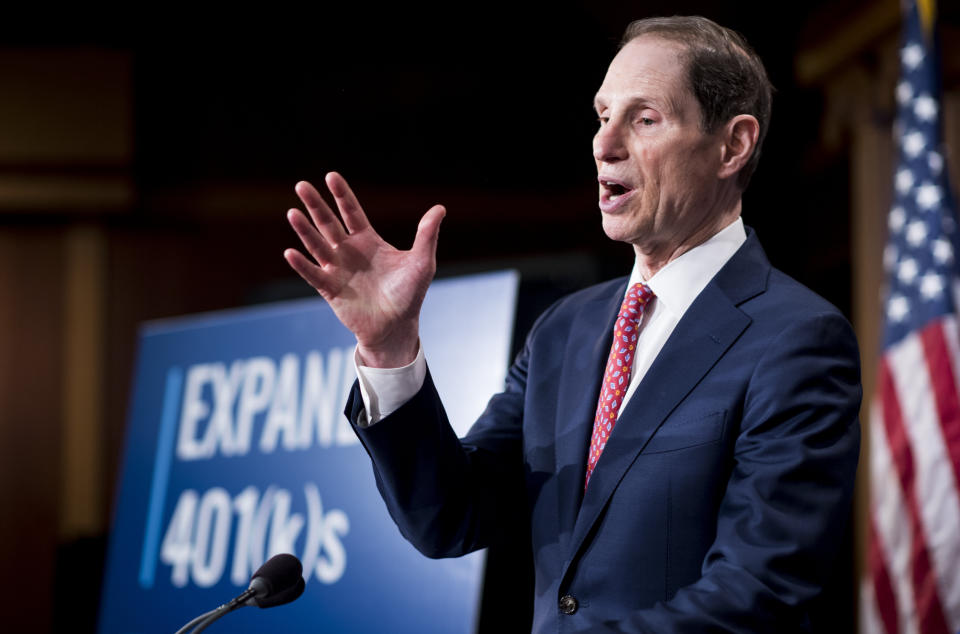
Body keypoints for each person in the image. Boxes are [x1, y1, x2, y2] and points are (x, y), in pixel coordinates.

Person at [284, 16, 861, 632]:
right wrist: (391, 347)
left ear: (733, 145)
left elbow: (756, 593)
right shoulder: (565, 329)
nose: (603, 144)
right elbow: (449, 516)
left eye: (644, 119)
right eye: (601, 115)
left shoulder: (797, 339)